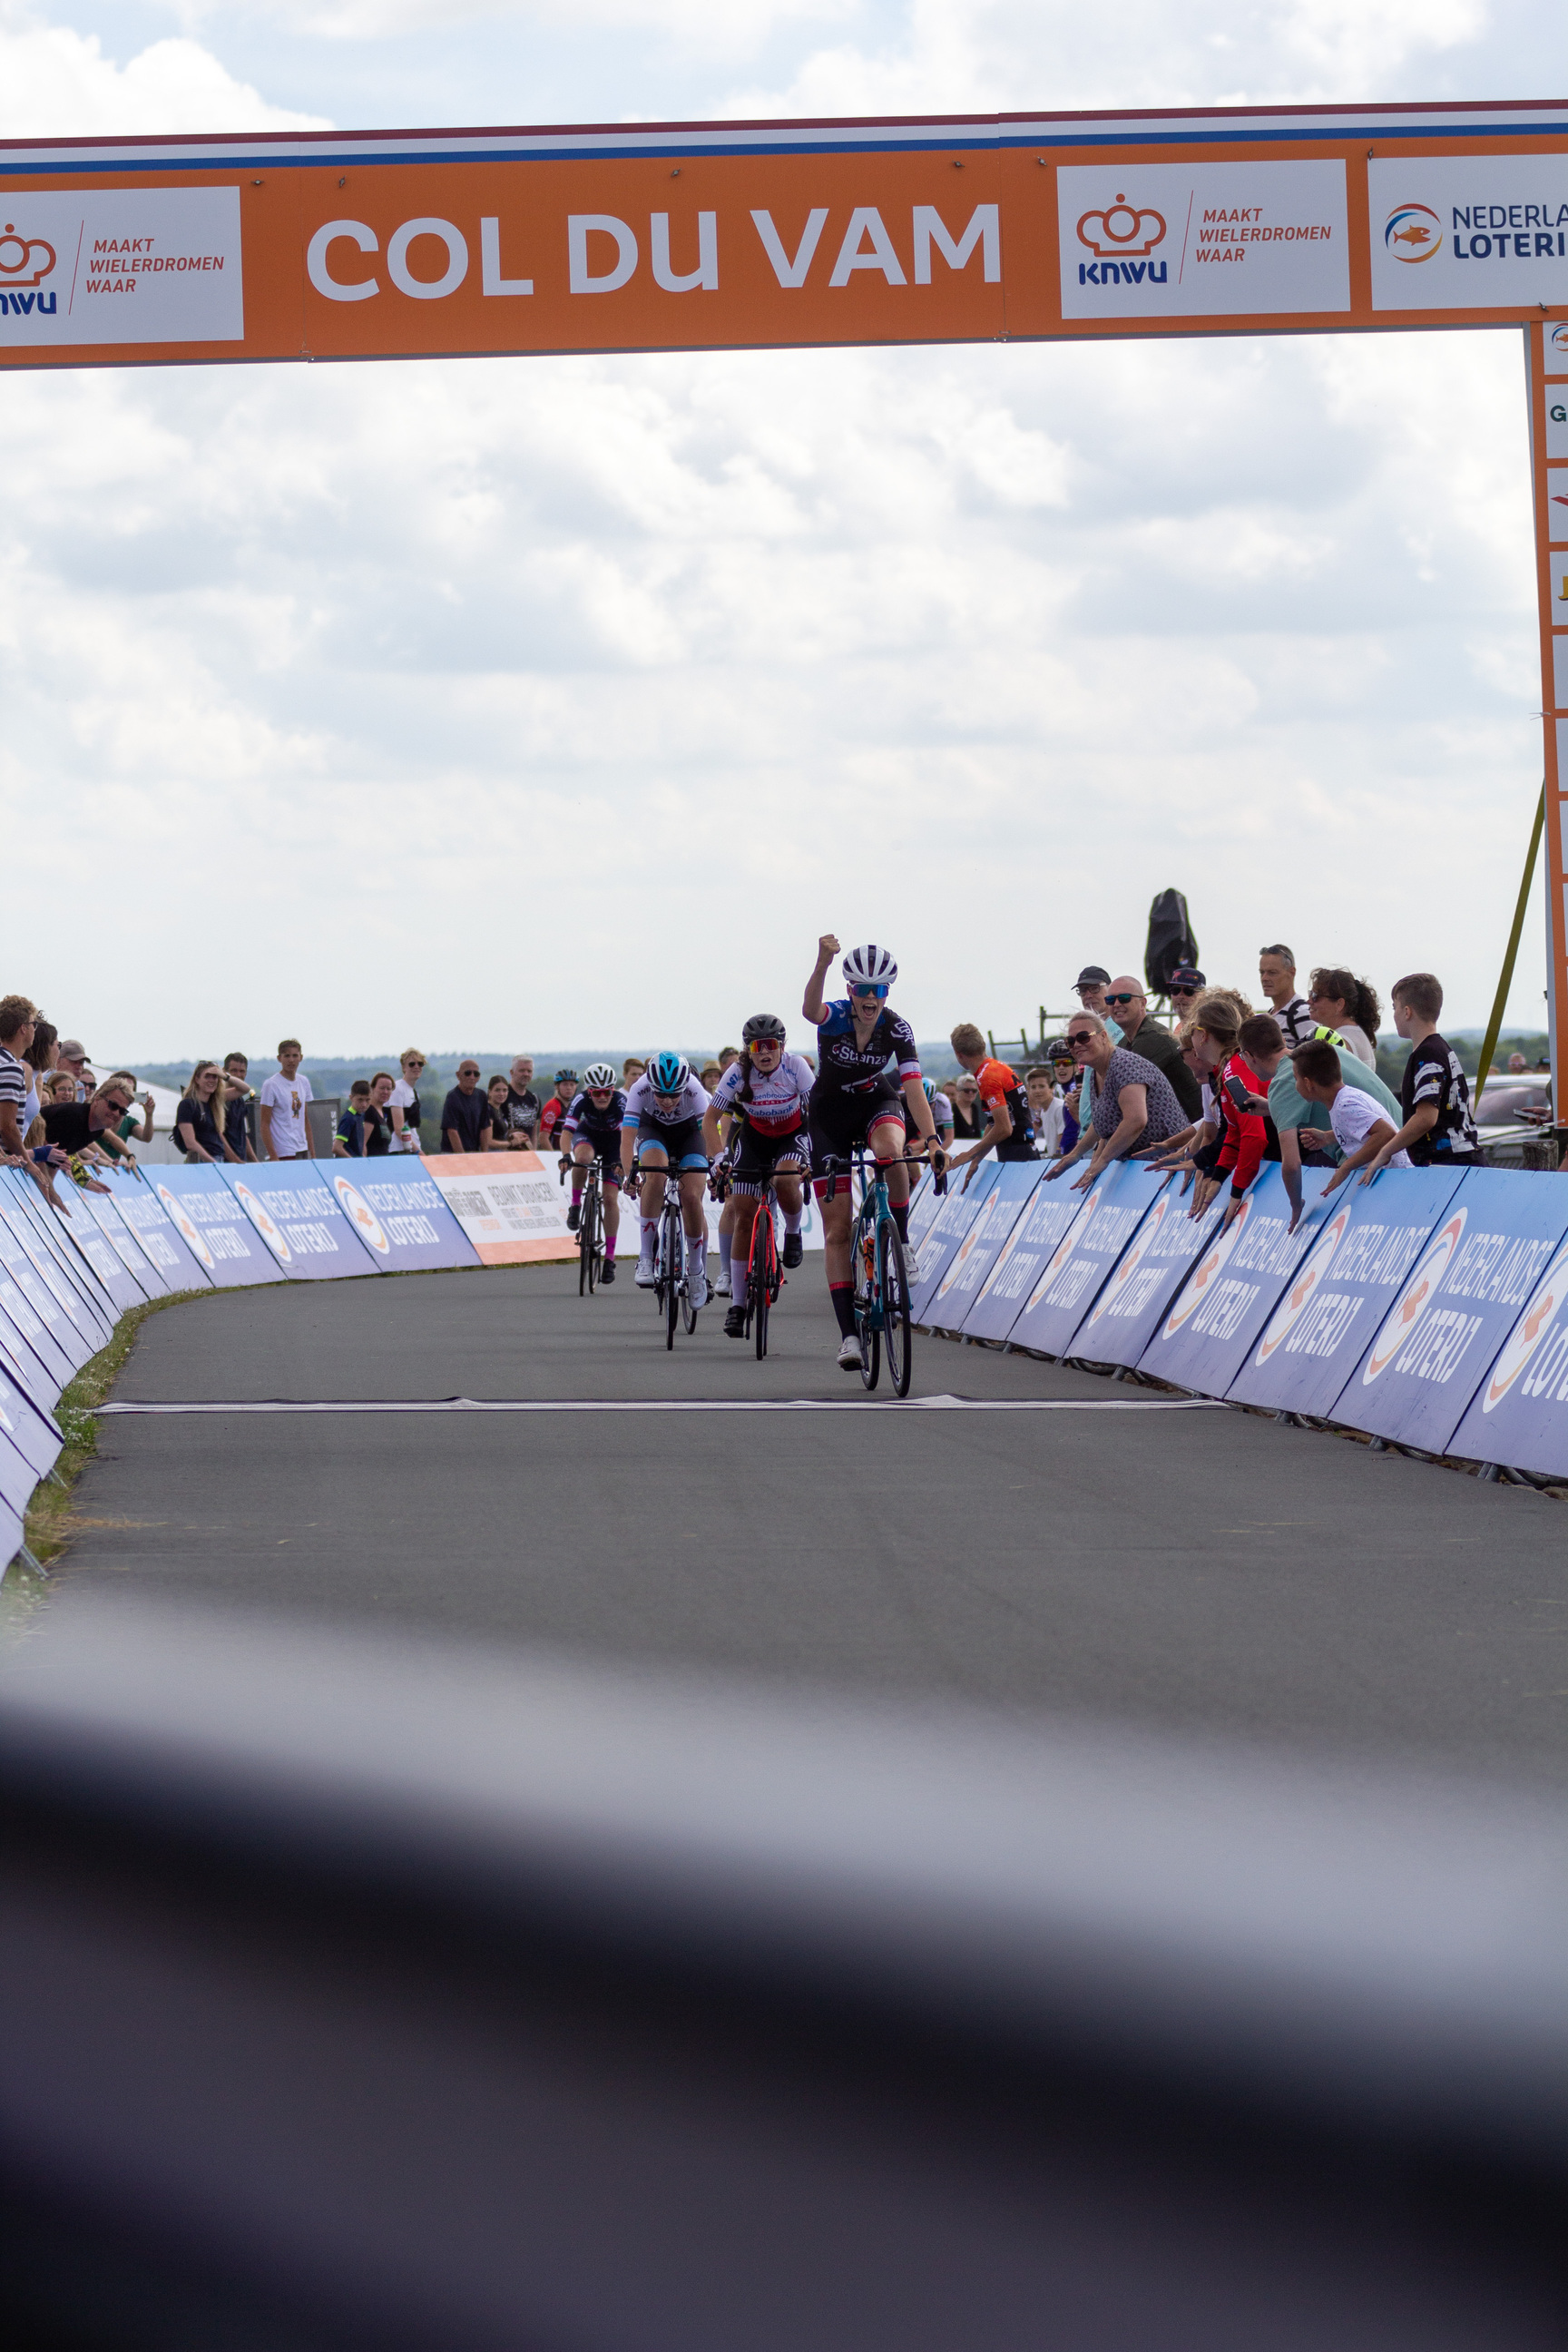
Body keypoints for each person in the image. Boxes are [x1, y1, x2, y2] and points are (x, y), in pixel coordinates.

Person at [802, 936, 943, 1371]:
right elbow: (810, 1011)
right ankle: (849, 1336)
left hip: (874, 1102)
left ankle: (900, 1238)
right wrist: (822, 962)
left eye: (879, 990)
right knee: (837, 1232)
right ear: (849, 990)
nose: (870, 998)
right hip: (828, 1119)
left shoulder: (897, 1028)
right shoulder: (835, 1018)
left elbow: (914, 1086)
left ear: (887, 993)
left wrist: (934, 1140)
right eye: (862, 989)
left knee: (891, 1152)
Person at [1235, 1014, 1402, 1231]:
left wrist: (1296, 1205)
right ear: (1283, 1041)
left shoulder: (1284, 1082)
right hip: (1405, 1143)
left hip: (1378, 1161)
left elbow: (1291, 1164)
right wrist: (1271, 1106)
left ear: (1248, 1056)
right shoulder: (1324, 1053)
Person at [702, 1014, 813, 1337]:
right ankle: (737, 1304)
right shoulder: (738, 1073)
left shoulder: (796, 1068)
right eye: (757, 1046)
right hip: (754, 1139)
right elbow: (710, 1121)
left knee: (786, 1179)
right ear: (748, 1049)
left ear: (782, 1047)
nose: (765, 1052)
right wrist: (718, 1159)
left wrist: (816, 1155)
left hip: (791, 1136)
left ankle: (792, 1232)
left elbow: (816, 1114)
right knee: (743, 1213)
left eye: (771, 1046)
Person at [1045, 1013, 1185, 1192]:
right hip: (1140, 1168)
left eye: (1083, 1037)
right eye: (1070, 1041)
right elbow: (1103, 1121)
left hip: (1166, 1166)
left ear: (1103, 1037)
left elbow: (1135, 1120)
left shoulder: (1125, 1065)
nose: (1077, 1045)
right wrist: (1075, 1155)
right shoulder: (1096, 1071)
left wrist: (1102, 1161)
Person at [1362, 972, 1484, 1178]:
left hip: (1448, 1166)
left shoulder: (1428, 1055)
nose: (1394, 1015)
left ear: (1407, 1012)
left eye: (1395, 1007)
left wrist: (1386, 1151)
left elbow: (1426, 1117)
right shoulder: (1441, 1048)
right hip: (1461, 1163)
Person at [621, 1050, 712, 1305]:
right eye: (661, 1094)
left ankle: (696, 1271)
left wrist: (716, 1169)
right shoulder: (640, 1089)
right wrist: (630, 1175)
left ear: (685, 1086)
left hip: (690, 1135)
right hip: (653, 1131)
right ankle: (646, 1258)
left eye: (674, 1094)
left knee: (692, 1196)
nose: (668, 1100)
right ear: (652, 1087)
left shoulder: (695, 1090)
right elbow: (627, 1138)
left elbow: (709, 1136)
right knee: (655, 1175)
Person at [1295, 1042, 1412, 1198]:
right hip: (1391, 1180)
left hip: (1395, 1180)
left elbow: (1386, 1134)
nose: (1295, 1085)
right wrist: (1328, 1137)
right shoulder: (1343, 1099)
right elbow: (1361, 1130)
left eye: (1296, 1078)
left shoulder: (1344, 1106)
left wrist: (1346, 1167)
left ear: (1308, 1083)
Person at [1100, 975, 1203, 1122]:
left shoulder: (1155, 1038)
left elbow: (1117, 1096)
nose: (1116, 1004)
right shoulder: (1125, 1042)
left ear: (1143, 1003)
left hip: (1188, 1134)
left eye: (1124, 998)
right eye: (1110, 1000)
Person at [560, 1062, 626, 1282]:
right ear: (590, 1091)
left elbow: (631, 1135)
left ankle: (609, 1258)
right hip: (587, 1136)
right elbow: (567, 1132)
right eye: (596, 1092)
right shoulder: (581, 1100)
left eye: (607, 1092)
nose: (602, 1097)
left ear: (613, 1090)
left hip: (615, 1145)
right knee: (582, 1159)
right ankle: (576, 1205)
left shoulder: (621, 1102)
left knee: (609, 1199)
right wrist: (565, 1156)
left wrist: (625, 1162)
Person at [946, 1023, 1034, 1183]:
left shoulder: (986, 1077)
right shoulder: (996, 1067)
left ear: (959, 1055)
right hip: (1022, 1147)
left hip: (1016, 1153)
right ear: (982, 1045)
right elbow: (994, 1122)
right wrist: (976, 1159)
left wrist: (969, 1154)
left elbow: (1004, 1128)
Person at [43, 1073, 142, 1168]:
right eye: (113, 1106)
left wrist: (111, 1161)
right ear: (97, 1100)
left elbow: (57, 1157)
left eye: (123, 1111)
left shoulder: (97, 1129)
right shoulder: (73, 1117)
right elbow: (40, 1146)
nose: (116, 1113)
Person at [1307, 968, 1379, 1066]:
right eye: (1310, 993)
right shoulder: (1355, 1034)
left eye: (1315, 996)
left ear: (1339, 1004)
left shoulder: (1341, 1043)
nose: (1309, 1001)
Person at [176, 1062, 240, 1164]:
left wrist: (224, 1076)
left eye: (214, 1077)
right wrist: (213, 1163)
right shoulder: (187, 1105)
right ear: (197, 1079)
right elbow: (190, 1143)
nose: (211, 1080)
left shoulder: (214, 1103)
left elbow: (244, 1089)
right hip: (201, 1162)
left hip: (218, 1158)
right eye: (207, 1077)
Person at [260, 1041, 314, 1161]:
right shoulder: (271, 1084)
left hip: (302, 1149)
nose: (291, 1060)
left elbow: (305, 1119)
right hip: (283, 1151)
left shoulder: (303, 1082)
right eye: (287, 1056)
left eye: (295, 1056)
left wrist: (312, 1153)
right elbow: (264, 1124)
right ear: (279, 1058)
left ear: (301, 1057)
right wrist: (273, 1156)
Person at [1258, 945, 1314, 1051]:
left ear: (1291, 972)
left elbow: (1317, 1057)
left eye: (1272, 973)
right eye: (1262, 972)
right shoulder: (1272, 1014)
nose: (1264, 978)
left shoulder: (1301, 1013)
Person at [442, 1060, 494, 1154]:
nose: (472, 1077)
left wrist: (484, 1154)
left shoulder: (481, 1096)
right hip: (452, 1154)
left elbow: (484, 1127)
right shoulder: (452, 1097)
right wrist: (463, 1157)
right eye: (468, 1073)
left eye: (476, 1074)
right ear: (458, 1075)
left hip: (474, 1152)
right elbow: (452, 1130)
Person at [388, 1049, 426, 1153]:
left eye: (420, 1064)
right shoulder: (398, 1089)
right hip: (399, 1149)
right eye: (412, 1064)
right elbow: (398, 1128)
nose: (416, 1066)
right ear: (404, 1067)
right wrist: (418, 1151)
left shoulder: (414, 1092)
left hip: (411, 1148)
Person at [220, 1054, 255, 1161]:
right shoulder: (218, 1099)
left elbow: (243, 1136)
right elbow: (219, 1136)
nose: (238, 1075)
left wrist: (255, 1161)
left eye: (242, 1071)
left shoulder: (240, 1101)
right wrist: (236, 1161)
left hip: (240, 1161)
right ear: (224, 1071)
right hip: (223, 1162)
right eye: (233, 1071)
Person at [1024, 1065, 1063, 1157]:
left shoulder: (1060, 1108)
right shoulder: (1043, 1111)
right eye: (1033, 1087)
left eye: (1042, 1086)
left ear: (1051, 1088)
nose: (1037, 1091)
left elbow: (1063, 1146)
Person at [501, 1055, 540, 1146]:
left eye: (529, 1071)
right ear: (512, 1072)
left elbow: (534, 1134)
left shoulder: (535, 1100)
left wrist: (533, 1153)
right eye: (522, 1070)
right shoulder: (502, 1096)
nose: (526, 1074)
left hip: (528, 1154)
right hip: (507, 1153)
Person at [539, 1070, 577, 1154]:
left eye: (572, 1084)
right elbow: (543, 1138)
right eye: (565, 1084)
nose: (569, 1088)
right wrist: (554, 1157)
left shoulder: (574, 1105)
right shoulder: (553, 1106)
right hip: (556, 1154)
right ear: (557, 1086)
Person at [923, 1075, 955, 1149]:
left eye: (930, 1103)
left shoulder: (944, 1102)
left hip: (940, 1127)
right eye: (924, 1104)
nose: (928, 1107)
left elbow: (949, 1138)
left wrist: (937, 1155)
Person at [947, 1072, 983, 1138]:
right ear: (959, 1091)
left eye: (974, 1090)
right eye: (967, 1090)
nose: (970, 1093)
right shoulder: (951, 1109)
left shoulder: (974, 1108)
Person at [483, 1076, 514, 1148]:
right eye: (497, 1090)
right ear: (490, 1092)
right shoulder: (488, 1110)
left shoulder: (499, 1110)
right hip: (491, 1156)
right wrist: (511, 1143)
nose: (501, 1094)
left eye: (504, 1090)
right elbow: (488, 1142)